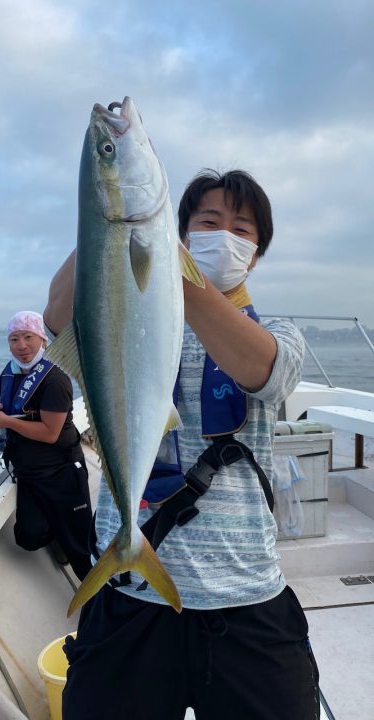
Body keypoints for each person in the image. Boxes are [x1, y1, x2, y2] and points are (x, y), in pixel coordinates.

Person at [44, 171, 320, 720]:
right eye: (209, 222)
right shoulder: (130, 322)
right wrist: (112, 219)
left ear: (256, 254)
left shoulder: (278, 336)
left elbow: (261, 369)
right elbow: (57, 317)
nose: (225, 235)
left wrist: (169, 266)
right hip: (128, 600)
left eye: (241, 229)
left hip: (246, 597)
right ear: (182, 232)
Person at [0, 310, 92, 582]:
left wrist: (5, 422)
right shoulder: (10, 371)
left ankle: (105, 605)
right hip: (28, 472)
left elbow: (50, 433)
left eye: (28, 337)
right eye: (14, 339)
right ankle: (57, 535)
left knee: (81, 549)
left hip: (62, 472)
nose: (21, 346)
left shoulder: (55, 379)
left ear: (42, 339)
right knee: (27, 537)